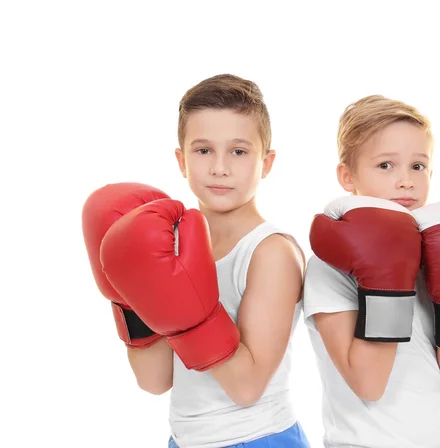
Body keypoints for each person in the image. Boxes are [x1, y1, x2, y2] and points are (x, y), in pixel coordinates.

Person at [82, 74, 311, 448]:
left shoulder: (270, 253)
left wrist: (191, 313)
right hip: (185, 440)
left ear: (267, 163)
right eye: (203, 150)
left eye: (239, 151)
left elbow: (247, 387)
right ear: (181, 160)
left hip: (259, 439)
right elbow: (154, 381)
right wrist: (127, 296)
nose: (220, 167)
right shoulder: (168, 246)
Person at [303, 94, 440, 447]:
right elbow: (369, 384)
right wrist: (386, 278)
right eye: (386, 166)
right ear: (347, 176)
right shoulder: (327, 269)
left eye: (417, 166)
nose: (406, 181)